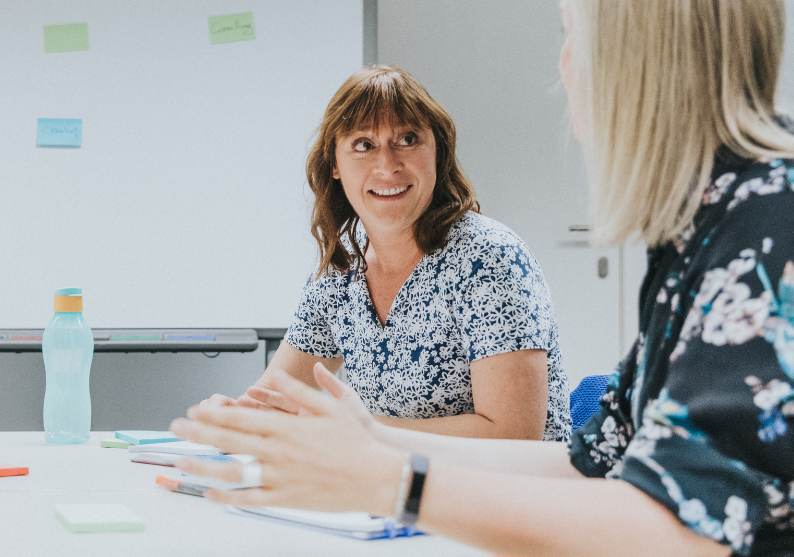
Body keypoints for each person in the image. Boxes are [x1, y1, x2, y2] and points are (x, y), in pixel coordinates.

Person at [173, 0, 794, 555]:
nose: (565, 64)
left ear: (638, 56)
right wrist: (367, 441)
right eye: (362, 145)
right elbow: (595, 464)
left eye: (569, 33)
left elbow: (689, 534)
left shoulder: (766, 224)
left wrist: (391, 478)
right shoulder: (711, 224)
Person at [202, 65, 570, 442]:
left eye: (408, 139)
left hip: (513, 494)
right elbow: (273, 403)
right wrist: (232, 416)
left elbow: (513, 434)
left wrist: (361, 430)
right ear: (334, 165)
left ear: (437, 152)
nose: (387, 165)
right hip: (399, 494)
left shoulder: (488, 258)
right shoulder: (339, 274)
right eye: (364, 144)